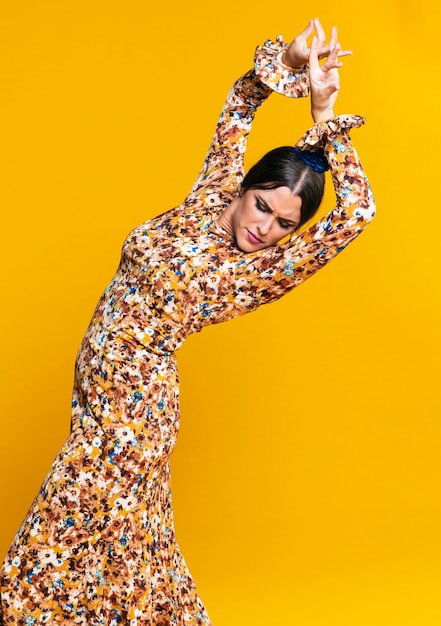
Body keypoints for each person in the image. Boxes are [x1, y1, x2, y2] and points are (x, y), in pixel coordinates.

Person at [0, 18, 376, 625]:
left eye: (285, 225)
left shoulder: (259, 271)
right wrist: (291, 56)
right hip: (94, 390)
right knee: (124, 547)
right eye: (262, 206)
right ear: (242, 189)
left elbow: (358, 211)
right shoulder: (208, 200)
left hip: (133, 411)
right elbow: (242, 100)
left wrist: (324, 115)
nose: (266, 228)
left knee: (64, 533)